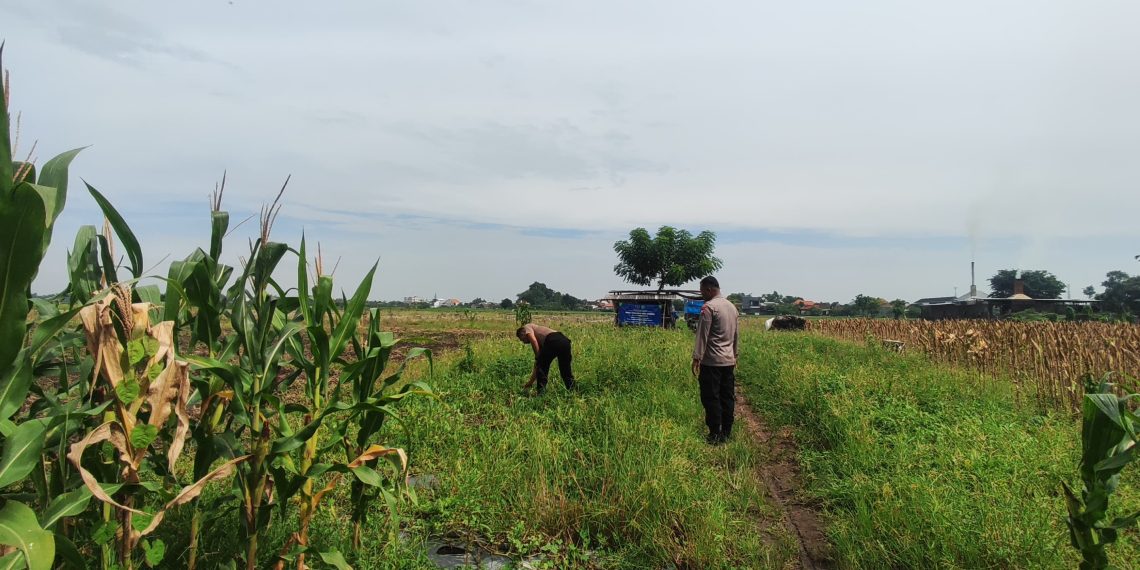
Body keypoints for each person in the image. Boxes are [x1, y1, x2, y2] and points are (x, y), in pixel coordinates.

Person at [691, 276, 739, 445]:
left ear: (710, 289)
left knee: (711, 397)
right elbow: (735, 335)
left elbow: (702, 335)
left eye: (702, 290)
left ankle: (714, 434)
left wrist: (697, 357)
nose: (702, 294)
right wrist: (735, 354)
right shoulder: (732, 307)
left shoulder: (709, 308)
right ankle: (727, 432)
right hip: (728, 361)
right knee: (727, 396)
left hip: (711, 362)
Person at [516, 323, 575, 395]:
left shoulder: (526, 327)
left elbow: (533, 341)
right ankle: (572, 391)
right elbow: (537, 366)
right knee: (565, 369)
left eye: (522, 340)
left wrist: (538, 357)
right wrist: (530, 383)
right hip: (564, 341)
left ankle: (541, 394)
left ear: (522, 333)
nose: (524, 343)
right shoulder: (541, 341)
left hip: (552, 339)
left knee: (542, 368)